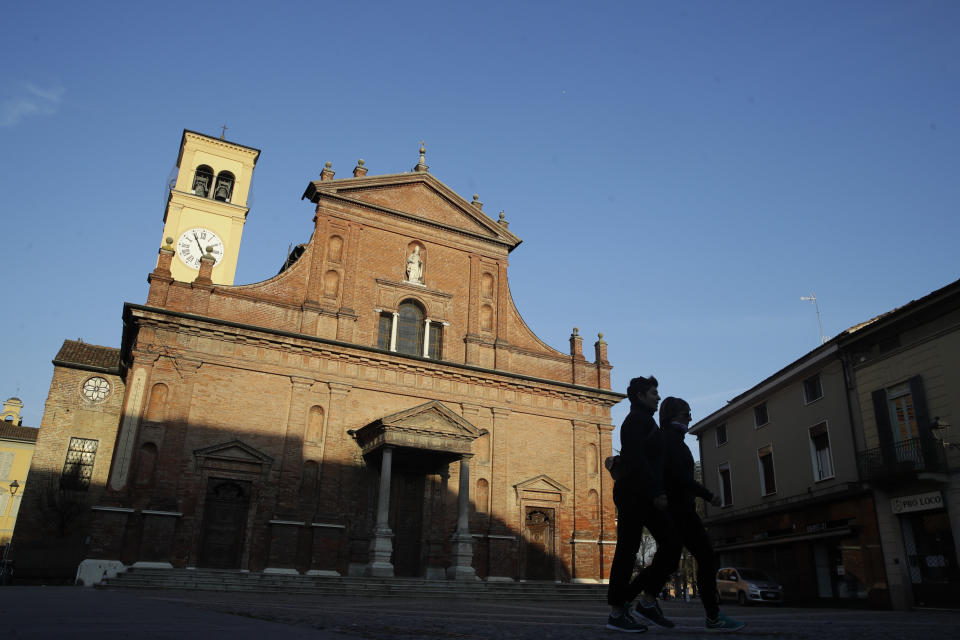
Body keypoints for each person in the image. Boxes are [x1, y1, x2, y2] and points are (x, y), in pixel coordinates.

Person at [659, 396, 745, 633]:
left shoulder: (673, 440)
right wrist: (709, 495)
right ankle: (713, 616)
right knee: (704, 557)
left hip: (678, 509)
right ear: (674, 417)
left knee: (669, 561)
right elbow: (681, 478)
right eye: (687, 414)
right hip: (680, 510)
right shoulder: (672, 441)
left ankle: (636, 600)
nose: (690, 418)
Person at [606, 376, 682, 633]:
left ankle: (646, 601)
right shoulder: (636, 421)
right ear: (640, 396)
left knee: (671, 545)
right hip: (635, 493)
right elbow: (638, 460)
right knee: (628, 551)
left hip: (643, 493)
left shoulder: (645, 421)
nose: (658, 397)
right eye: (653, 393)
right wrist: (656, 491)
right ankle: (617, 611)